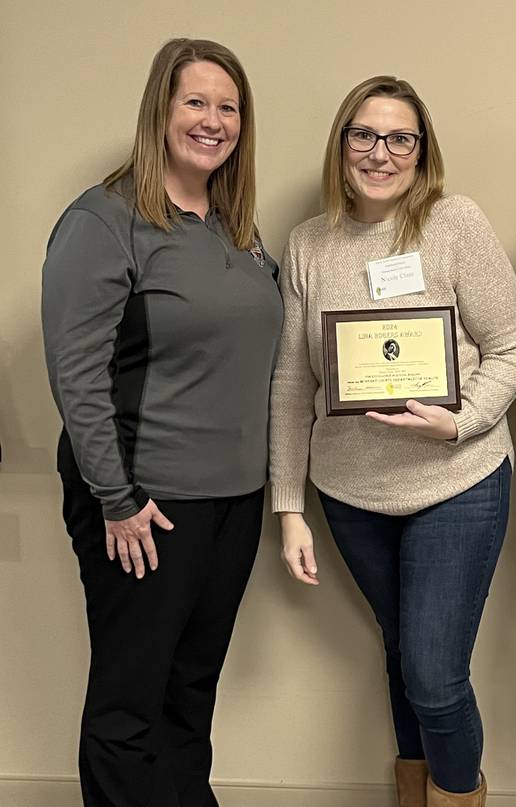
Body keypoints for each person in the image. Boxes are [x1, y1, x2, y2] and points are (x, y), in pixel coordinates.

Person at [269, 76, 516, 807]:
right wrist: (289, 504)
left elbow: (511, 344)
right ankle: (414, 794)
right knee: (400, 654)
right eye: (364, 134)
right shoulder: (309, 244)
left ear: (422, 151)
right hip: (351, 493)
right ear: (341, 143)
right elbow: (292, 385)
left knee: (434, 675)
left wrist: (462, 417)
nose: (380, 152)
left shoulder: (454, 222)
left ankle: (455, 796)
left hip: (458, 480)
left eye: (399, 138)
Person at [41, 38, 282, 807]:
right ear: (161, 110)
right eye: (196, 102)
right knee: (129, 699)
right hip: (146, 502)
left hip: (232, 501)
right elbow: (76, 373)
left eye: (229, 107)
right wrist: (115, 497)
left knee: (190, 691)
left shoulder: (235, 228)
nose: (213, 121)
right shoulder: (105, 219)